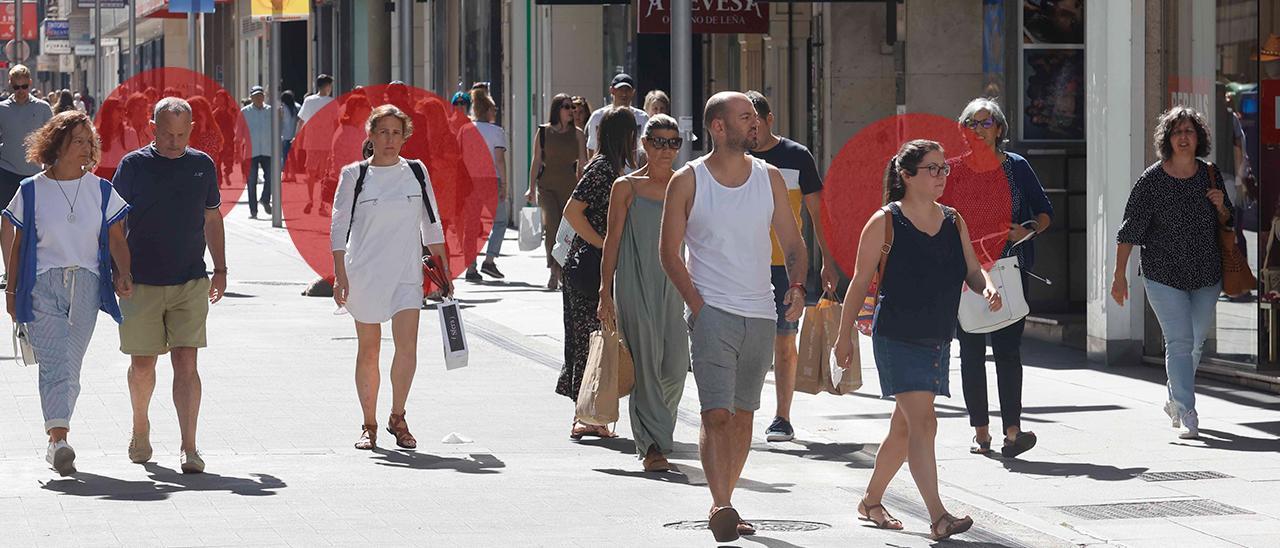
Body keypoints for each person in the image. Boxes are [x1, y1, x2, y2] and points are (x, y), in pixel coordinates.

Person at [831, 139, 999, 542]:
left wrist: (988, 288)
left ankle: (870, 501)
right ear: (906, 176)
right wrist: (843, 339)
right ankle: (939, 516)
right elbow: (857, 283)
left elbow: (974, 271)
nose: (942, 176)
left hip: (939, 337)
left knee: (905, 430)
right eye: (932, 169)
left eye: (944, 169)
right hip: (897, 336)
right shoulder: (884, 222)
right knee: (925, 423)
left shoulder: (954, 220)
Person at [658, 92, 807, 542]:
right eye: (745, 117)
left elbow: (795, 245)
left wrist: (798, 287)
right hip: (712, 313)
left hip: (761, 313)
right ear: (719, 127)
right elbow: (668, 253)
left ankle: (726, 498)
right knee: (715, 414)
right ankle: (722, 505)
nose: (755, 123)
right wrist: (698, 307)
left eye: (756, 116)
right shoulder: (687, 181)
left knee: (744, 416)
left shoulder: (771, 178)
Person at [3, 111, 133, 476]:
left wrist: (125, 273)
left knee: (70, 367)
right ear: (57, 144)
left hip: (88, 286)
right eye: (78, 140)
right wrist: (11, 292)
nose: (86, 147)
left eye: (89, 140)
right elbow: (18, 243)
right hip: (42, 284)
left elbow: (116, 237)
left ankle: (55, 439)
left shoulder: (101, 189)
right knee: (56, 362)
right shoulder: (31, 190)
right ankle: (59, 439)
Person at [113, 97, 227, 474]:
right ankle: (140, 426)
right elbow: (115, 224)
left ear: (191, 129)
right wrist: (119, 269)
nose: (174, 141)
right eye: (166, 133)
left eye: (181, 134)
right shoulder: (133, 166)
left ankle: (189, 447)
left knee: (186, 362)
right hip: (141, 281)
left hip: (190, 278)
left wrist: (221, 268)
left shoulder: (202, 165)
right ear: (153, 128)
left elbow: (213, 219)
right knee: (142, 364)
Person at [330, 105, 450, 450]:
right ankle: (368, 424)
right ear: (370, 135)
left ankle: (398, 417)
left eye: (396, 133)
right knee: (369, 351)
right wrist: (340, 275)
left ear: (405, 136)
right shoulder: (355, 175)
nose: (389, 139)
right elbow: (338, 228)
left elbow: (432, 222)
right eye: (383, 132)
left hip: (405, 273)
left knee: (407, 347)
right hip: (364, 272)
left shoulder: (416, 171)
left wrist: (444, 269)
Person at [1112, 106, 1232, 440]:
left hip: (1207, 272)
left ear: (1199, 138)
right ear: (1167, 139)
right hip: (1162, 272)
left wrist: (1221, 205)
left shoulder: (1210, 173)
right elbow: (1129, 230)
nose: (1183, 137)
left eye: (1189, 131)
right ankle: (1187, 410)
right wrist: (1118, 274)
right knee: (1179, 341)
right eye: (1177, 131)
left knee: (1194, 344)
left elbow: (1229, 221)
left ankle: (1174, 396)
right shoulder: (1151, 180)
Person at [950, 98, 1053, 458]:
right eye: (973, 124)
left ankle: (1013, 431)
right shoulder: (952, 171)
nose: (980, 130)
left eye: (986, 123)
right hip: (966, 274)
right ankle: (981, 433)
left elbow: (1044, 214)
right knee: (971, 351)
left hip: (1009, 270)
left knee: (1009, 351)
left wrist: (1022, 233)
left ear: (999, 129)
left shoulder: (1017, 167)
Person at [744, 90, 838, 443]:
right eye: (745, 123)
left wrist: (827, 260)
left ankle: (782, 416)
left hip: (786, 266)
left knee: (785, 341)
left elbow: (818, 212)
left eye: (756, 123)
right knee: (746, 342)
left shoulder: (797, 156)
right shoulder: (735, 157)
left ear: (770, 120)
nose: (752, 131)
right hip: (743, 266)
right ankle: (741, 411)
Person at [597, 114, 688, 472]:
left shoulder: (686, 185)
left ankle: (658, 429)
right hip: (635, 281)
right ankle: (651, 444)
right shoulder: (626, 186)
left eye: (673, 142)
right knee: (646, 363)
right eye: (660, 142)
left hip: (674, 283)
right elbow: (612, 240)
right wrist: (605, 291)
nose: (667, 149)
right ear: (645, 145)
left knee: (676, 365)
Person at [557, 106, 635, 439]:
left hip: (599, 266)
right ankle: (584, 414)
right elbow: (572, 212)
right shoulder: (602, 169)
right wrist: (603, 244)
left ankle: (592, 414)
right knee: (586, 341)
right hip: (586, 268)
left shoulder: (619, 168)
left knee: (597, 340)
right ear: (627, 136)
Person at [525, 93, 587, 290]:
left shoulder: (578, 134)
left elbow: (583, 164)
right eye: (567, 107)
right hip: (547, 186)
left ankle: (563, 268)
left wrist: (585, 188)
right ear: (557, 109)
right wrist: (531, 187)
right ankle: (554, 270)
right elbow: (536, 161)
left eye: (573, 107)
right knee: (552, 225)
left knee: (567, 228)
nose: (572, 111)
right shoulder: (543, 132)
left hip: (570, 187)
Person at [0, 65, 53, 289]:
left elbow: (51, 137)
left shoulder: (42, 108)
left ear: (30, 84)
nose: (20, 90)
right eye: (16, 86)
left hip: (34, 173)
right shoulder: (2, 108)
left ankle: (35, 266)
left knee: (35, 222)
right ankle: (8, 271)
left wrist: (51, 164)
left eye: (24, 86)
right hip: (6, 170)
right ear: (10, 85)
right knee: (6, 220)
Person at [462, 91, 509, 282]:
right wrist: (504, 184)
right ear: (488, 110)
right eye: (494, 109)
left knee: (471, 225)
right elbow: (499, 160)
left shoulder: (465, 130)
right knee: (499, 221)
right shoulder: (496, 132)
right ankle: (489, 260)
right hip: (490, 180)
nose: (495, 112)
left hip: (470, 181)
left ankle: (471, 267)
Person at [585, 74, 648, 159]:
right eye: (620, 89)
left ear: (633, 92)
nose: (624, 94)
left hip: (635, 170)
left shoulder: (642, 117)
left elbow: (646, 149)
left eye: (627, 90)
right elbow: (592, 148)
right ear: (612, 90)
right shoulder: (597, 117)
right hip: (606, 169)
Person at [298, 74, 336, 214]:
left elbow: (301, 121)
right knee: (324, 175)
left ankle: (310, 200)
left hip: (311, 142)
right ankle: (322, 204)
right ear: (327, 86)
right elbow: (336, 122)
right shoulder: (332, 102)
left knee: (311, 173)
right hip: (327, 143)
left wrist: (297, 138)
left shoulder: (308, 100)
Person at [241, 86, 274, 218]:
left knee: (271, 178)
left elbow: (278, 128)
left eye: (261, 95)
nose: (259, 98)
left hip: (268, 149)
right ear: (251, 98)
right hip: (251, 151)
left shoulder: (271, 111)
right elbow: (239, 132)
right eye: (256, 96)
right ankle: (253, 210)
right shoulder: (245, 112)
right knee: (251, 181)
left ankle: (265, 199)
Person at [94, 97, 130, 182]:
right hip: (101, 175)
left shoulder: (129, 133)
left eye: (124, 109)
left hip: (121, 174)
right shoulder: (96, 133)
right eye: (119, 109)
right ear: (109, 111)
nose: (122, 113)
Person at [279, 90, 301, 182]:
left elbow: (280, 121)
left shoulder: (282, 108)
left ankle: (286, 175)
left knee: (285, 156)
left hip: (285, 135)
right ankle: (293, 175)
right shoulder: (298, 106)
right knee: (292, 157)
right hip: (295, 135)